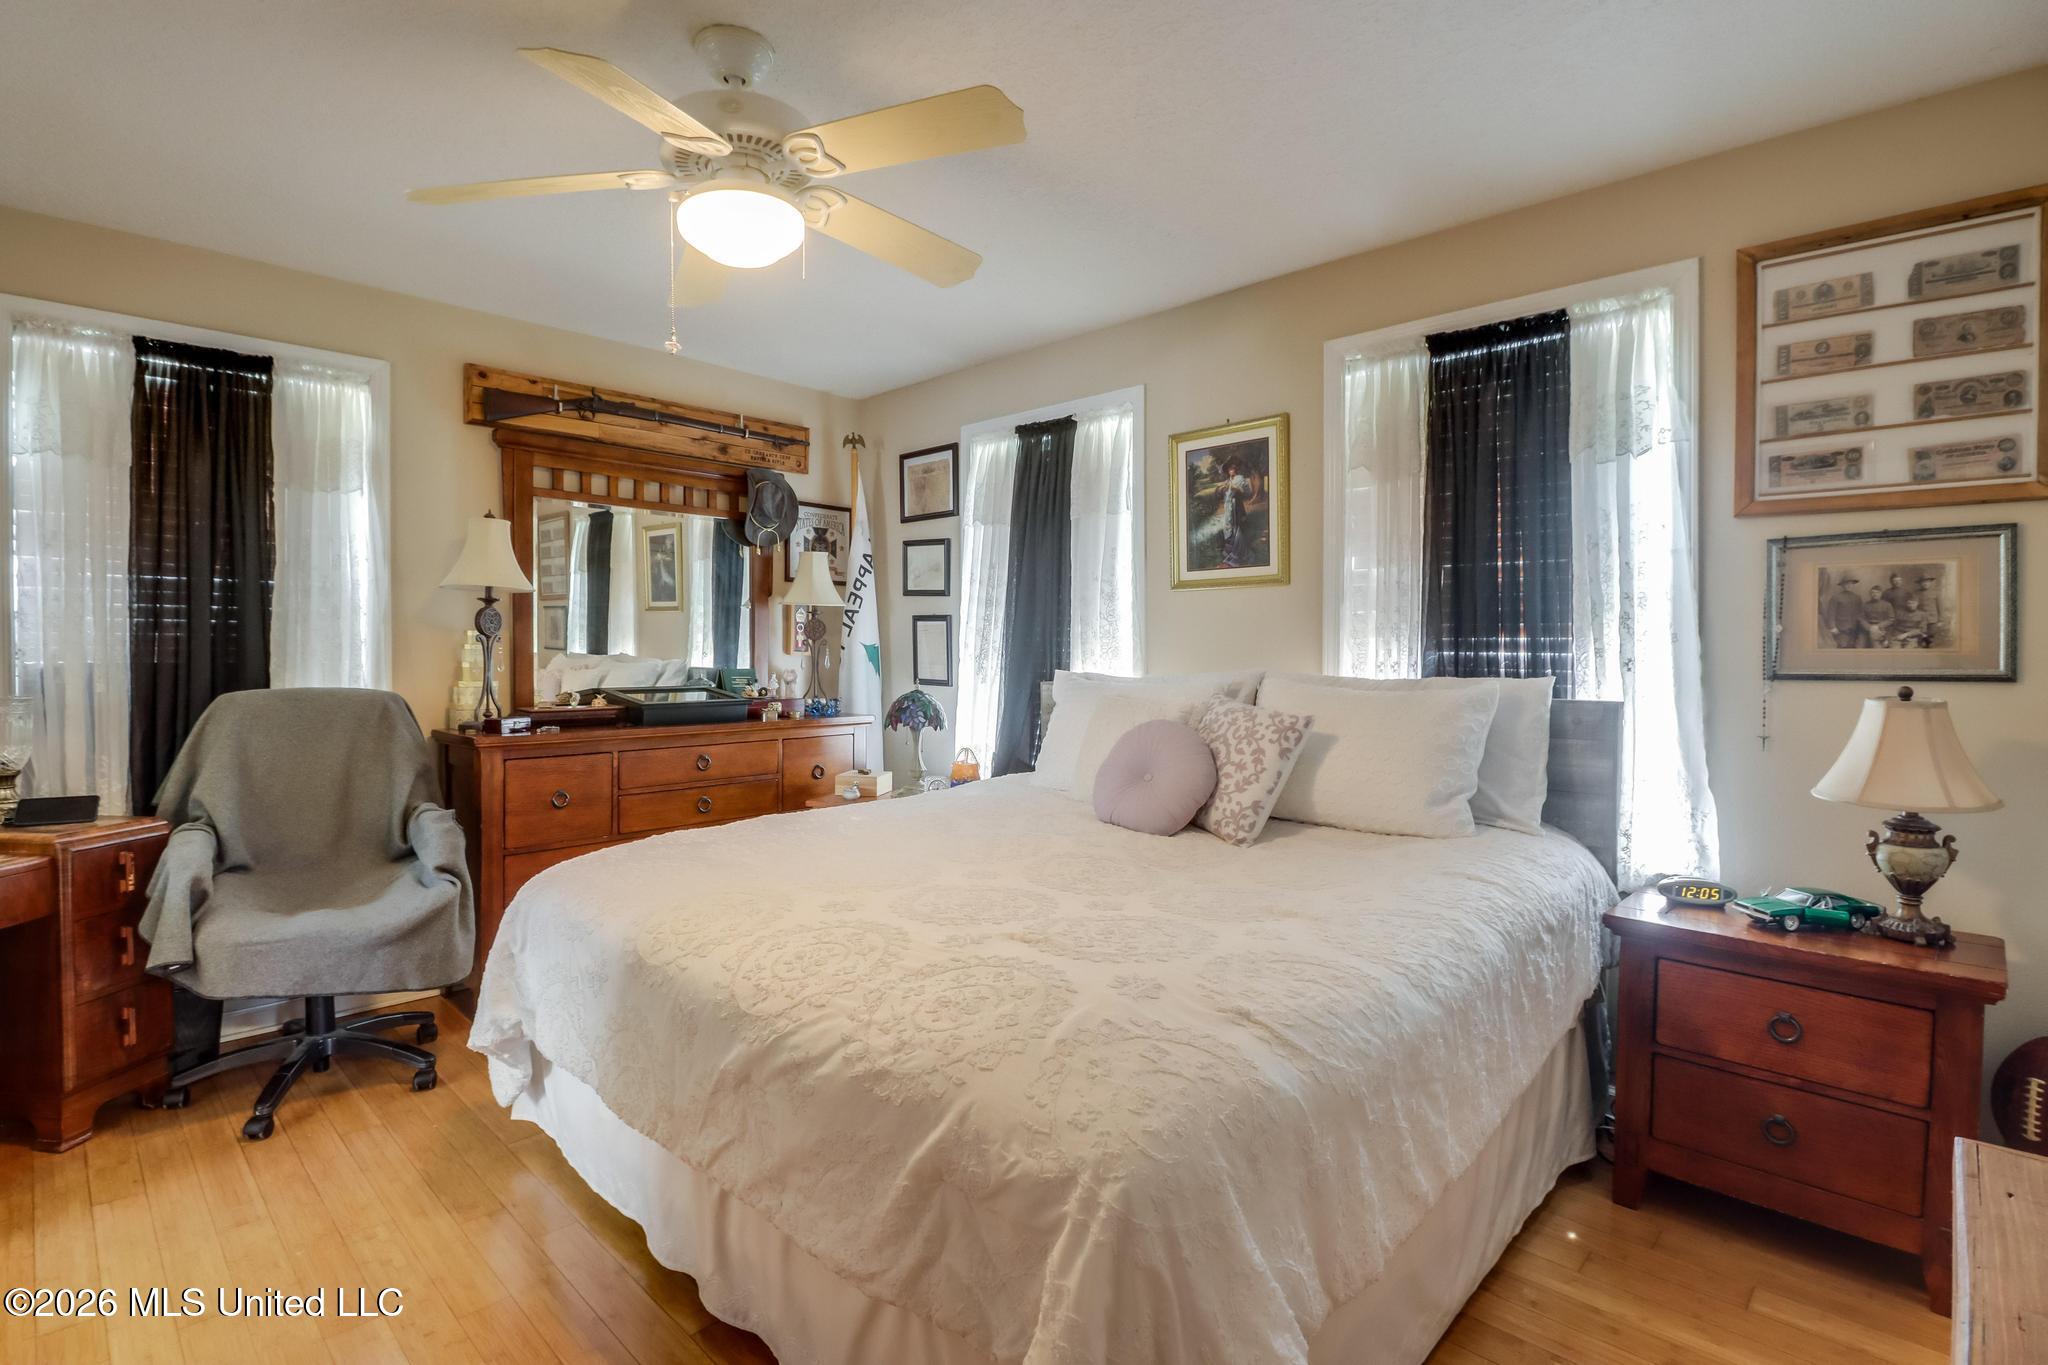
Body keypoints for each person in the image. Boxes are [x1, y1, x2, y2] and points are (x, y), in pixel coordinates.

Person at [1822, 574, 1865, 647]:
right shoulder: (1836, 597)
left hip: (1854, 629)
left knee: (1853, 647)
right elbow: (1831, 614)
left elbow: (1860, 614)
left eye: (1850, 584)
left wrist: (1860, 627)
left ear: (1853, 585)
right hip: (1841, 630)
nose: (1849, 585)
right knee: (1842, 646)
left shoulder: (1857, 597)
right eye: (1846, 584)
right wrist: (1832, 627)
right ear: (1842, 585)